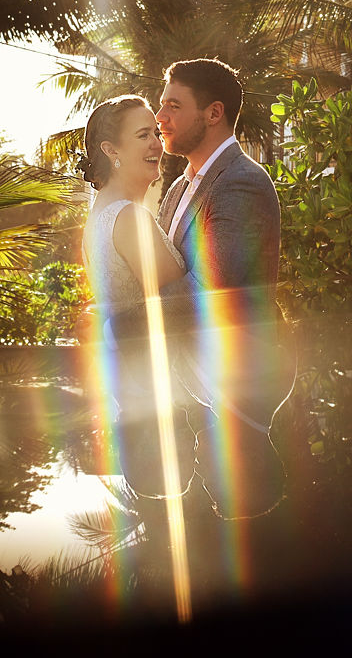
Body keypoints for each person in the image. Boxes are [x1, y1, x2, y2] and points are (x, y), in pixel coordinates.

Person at [116, 58, 294, 521]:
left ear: (213, 114)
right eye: (161, 106)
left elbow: (207, 294)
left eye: (174, 106)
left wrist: (124, 317)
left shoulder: (242, 182)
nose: (161, 119)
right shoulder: (179, 187)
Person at [78, 94, 197, 500]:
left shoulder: (101, 216)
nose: (156, 144)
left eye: (157, 134)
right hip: (160, 407)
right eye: (143, 135)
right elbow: (188, 298)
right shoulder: (128, 219)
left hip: (137, 397)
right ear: (111, 151)